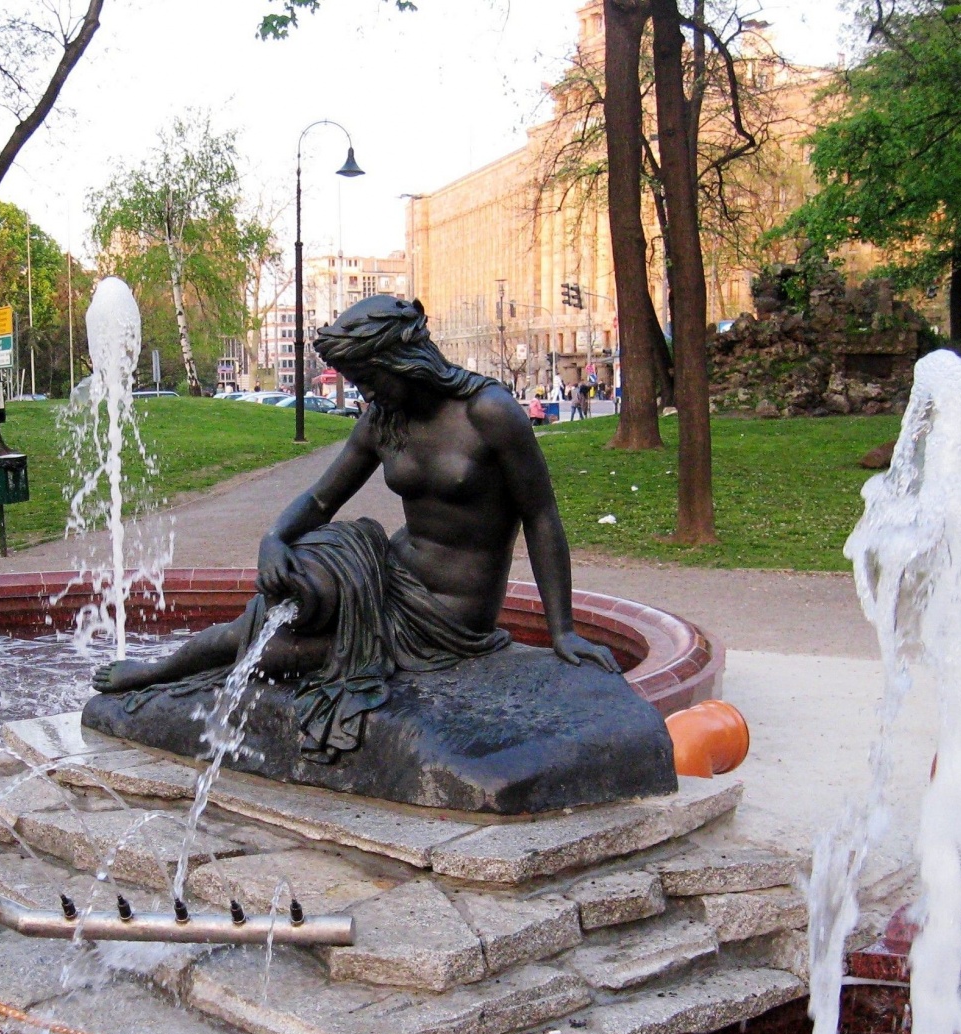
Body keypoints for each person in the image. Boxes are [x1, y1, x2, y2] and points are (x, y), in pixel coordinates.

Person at [91, 295, 617, 758]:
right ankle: (159, 670)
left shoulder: (491, 412)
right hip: (385, 569)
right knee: (284, 594)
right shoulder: (383, 417)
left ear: (402, 361)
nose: (364, 391)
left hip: (448, 612)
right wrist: (274, 539)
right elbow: (321, 499)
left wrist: (561, 630)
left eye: (369, 378)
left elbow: (541, 518)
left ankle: (165, 677)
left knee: (273, 654)